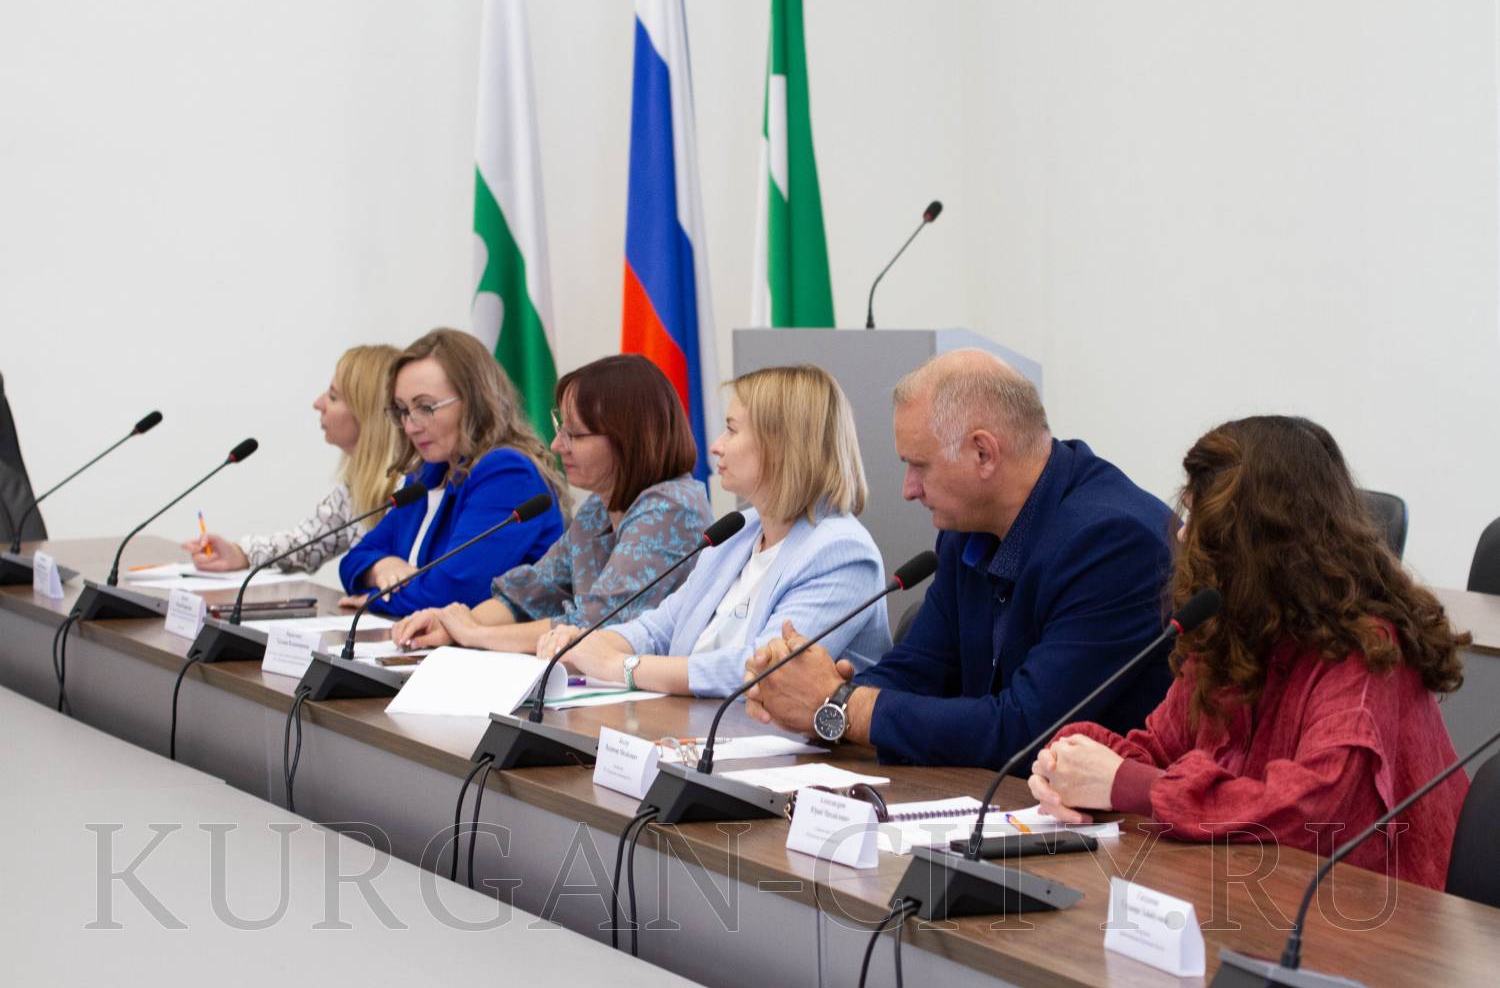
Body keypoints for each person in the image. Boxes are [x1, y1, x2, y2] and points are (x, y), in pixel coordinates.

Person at [1030, 416, 1470, 890]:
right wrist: (1072, 760)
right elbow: (1160, 750)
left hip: (1383, 912)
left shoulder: (1367, 651)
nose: (1184, 535)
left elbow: (1310, 812)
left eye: (1200, 518)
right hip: (1258, 888)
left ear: (1258, 540)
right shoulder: (1238, 626)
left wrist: (1128, 785)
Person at [744, 349, 1175, 767]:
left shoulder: (1114, 542)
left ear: (983, 453)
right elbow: (917, 671)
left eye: (919, 465)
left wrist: (838, 705)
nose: (908, 489)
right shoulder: (967, 530)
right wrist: (805, 693)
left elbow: (1029, 729)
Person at [539, 365, 891, 697]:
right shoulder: (738, 531)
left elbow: (765, 670)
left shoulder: (841, 552)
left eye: (732, 430)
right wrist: (582, 646)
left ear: (782, 445)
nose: (716, 446)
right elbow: (658, 628)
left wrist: (621, 667)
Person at [390, 354, 712, 653]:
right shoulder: (597, 509)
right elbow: (530, 593)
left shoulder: (673, 508)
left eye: (575, 435)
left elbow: (596, 625)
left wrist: (475, 634)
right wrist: (452, 624)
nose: (557, 445)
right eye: (561, 429)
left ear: (627, 440)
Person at [338, 328, 565, 616]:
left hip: (499, 643)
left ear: (474, 401)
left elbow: (451, 593)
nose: (410, 426)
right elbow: (353, 561)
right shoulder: (427, 475)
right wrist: (381, 567)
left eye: (425, 407)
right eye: (402, 410)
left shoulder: (508, 474)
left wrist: (374, 597)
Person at [181, 344, 402, 573]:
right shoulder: (353, 488)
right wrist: (239, 553)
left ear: (367, 413)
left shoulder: (409, 487)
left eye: (333, 397)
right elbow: (305, 545)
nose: (318, 404)